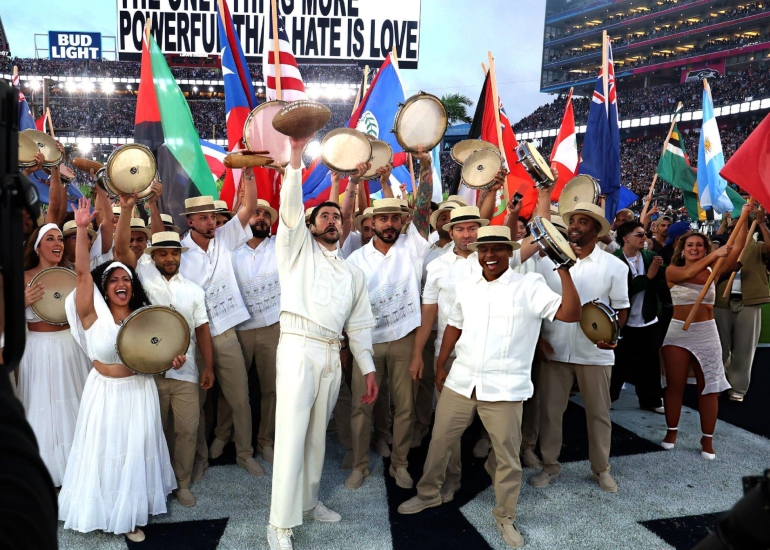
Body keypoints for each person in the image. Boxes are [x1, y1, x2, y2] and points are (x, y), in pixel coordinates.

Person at [397, 225, 582, 550]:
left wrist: (564, 269)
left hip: (505, 388)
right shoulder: (468, 285)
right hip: (461, 379)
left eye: (498, 249)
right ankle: (428, 495)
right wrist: (441, 364)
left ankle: (505, 516)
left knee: (508, 458)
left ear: (509, 252)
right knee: (439, 443)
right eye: (485, 249)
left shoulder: (530, 285)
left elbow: (570, 313)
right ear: (478, 254)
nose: (490, 255)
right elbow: (454, 323)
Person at [267, 134, 378, 550]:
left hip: (333, 354)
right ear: (311, 227)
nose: (333, 220)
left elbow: (360, 325)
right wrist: (295, 157)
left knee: (317, 435)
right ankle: (279, 524)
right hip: (297, 347)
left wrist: (367, 369)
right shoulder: (295, 251)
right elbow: (291, 210)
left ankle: (310, 502)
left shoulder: (353, 273)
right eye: (325, 216)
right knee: (293, 433)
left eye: (338, 217)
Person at [59, 198, 178, 542]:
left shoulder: (144, 318)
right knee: (105, 449)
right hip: (104, 393)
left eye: (126, 278)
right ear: (104, 288)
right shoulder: (91, 313)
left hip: (138, 392)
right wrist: (81, 229)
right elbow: (82, 272)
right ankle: (103, 507)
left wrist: (173, 360)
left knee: (133, 450)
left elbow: (162, 351)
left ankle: (129, 515)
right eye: (113, 279)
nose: (121, 283)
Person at [113, 189, 216, 508]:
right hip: (147, 373)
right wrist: (132, 207)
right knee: (153, 432)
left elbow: (202, 330)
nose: (170, 258)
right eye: (163, 253)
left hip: (186, 373)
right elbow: (119, 248)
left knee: (187, 431)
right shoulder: (141, 276)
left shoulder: (194, 291)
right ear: (153, 256)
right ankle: (154, 484)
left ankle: (182, 483)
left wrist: (208, 367)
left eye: (175, 253)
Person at [345, 147, 434, 491]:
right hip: (367, 344)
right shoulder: (355, 261)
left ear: (402, 222)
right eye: (382, 219)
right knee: (361, 407)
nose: (389, 224)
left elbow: (423, 207)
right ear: (372, 224)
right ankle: (359, 465)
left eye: (395, 219)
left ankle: (400, 464)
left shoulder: (412, 247)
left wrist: (425, 165)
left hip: (404, 341)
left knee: (406, 407)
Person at [531, 203, 630, 493]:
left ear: (596, 230)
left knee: (599, 413)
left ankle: (601, 469)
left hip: (596, 352)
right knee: (550, 412)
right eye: (572, 220)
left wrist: (615, 337)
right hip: (554, 349)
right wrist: (539, 340)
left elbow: (621, 311)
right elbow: (535, 307)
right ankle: (549, 465)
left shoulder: (615, 266)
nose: (574, 226)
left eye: (583, 222)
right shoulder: (545, 262)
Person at [179, 167, 262, 480]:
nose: (210, 221)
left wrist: (250, 172)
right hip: (192, 338)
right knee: (196, 404)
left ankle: (244, 454)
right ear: (190, 221)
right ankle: (198, 459)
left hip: (225, 333)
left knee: (240, 398)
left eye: (212, 216)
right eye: (202, 217)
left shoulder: (225, 239)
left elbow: (249, 206)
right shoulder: (178, 252)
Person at [18, 223, 91, 489]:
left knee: (75, 405)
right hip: (39, 349)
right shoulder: (22, 277)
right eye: (50, 238)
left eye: (60, 238)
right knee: (44, 408)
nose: (57, 243)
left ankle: (77, 471)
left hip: (70, 347)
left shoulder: (72, 274)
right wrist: (21, 302)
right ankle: (49, 476)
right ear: (38, 247)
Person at [661, 230, 740, 459]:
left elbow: (736, 249)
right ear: (682, 249)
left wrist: (746, 216)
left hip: (707, 333)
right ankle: (671, 433)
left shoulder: (712, 271)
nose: (694, 248)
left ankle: (707, 439)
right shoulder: (673, 270)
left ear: (705, 248)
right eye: (690, 245)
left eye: (699, 245)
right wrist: (715, 255)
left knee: (709, 388)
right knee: (675, 386)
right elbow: (690, 271)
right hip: (678, 332)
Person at [215, 199, 282, 464]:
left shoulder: (280, 247)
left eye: (266, 215)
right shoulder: (228, 248)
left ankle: (265, 440)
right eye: (256, 213)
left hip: (272, 328)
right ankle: (223, 434)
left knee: (271, 389)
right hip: (238, 329)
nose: (261, 218)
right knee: (230, 389)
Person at [714, 208, 770, 401]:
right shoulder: (723, 247)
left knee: (745, 348)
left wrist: (761, 224)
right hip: (722, 301)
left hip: (748, 301)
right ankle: (719, 382)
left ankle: (738, 388)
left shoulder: (758, 247)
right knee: (719, 345)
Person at [611, 221, 667, 412]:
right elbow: (623, 291)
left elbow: (662, 282)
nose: (645, 238)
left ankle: (650, 400)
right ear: (626, 238)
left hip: (648, 319)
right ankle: (609, 397)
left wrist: (659, 271)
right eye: (639, 234)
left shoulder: (649, 256)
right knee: (618, 363)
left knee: (650, 363)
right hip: (623, 321)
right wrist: (648, 277)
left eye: (644, 234)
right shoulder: (615, 260)